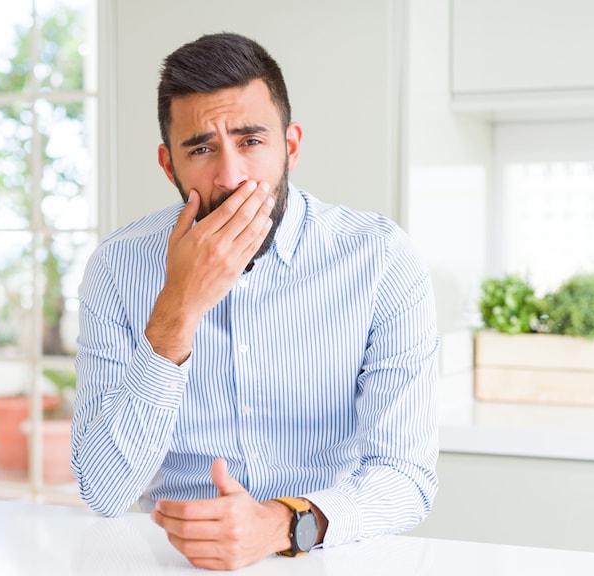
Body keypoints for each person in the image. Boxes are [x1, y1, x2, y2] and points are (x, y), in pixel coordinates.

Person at [71, 32, 439, 571]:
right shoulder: (116, 268)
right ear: (168, 165)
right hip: (178, 560)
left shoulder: (379, 260)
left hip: (326, 552)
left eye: (251, 141)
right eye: (201, 148)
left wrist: (283, 524)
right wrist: (177, 309)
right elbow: (103, 490)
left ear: (290, 145)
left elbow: (406, 478)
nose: (231, 177)